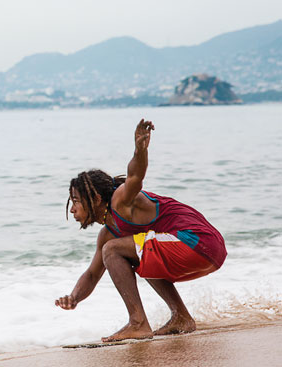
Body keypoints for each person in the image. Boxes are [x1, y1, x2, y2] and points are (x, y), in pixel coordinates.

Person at [55, 119, 227, 342]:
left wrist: (139, 150)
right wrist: (74, 298)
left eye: (76, 201)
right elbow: (92, 274)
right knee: (133, 255)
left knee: (115, 250)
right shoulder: (109, 232)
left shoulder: (122, 200)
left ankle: (137, 323)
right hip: (204, 251)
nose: (73, 209)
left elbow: (135, 176)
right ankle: (181, 317)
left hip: (198, 242)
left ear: (96, 199)